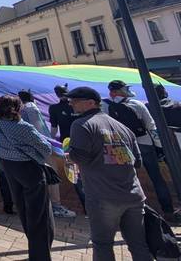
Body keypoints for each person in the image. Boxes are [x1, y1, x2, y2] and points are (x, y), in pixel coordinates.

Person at [67, 86, 152, 261]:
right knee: (138, 244)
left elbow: (80, 157)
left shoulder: (81, 124)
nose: (71, 104)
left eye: (75, 101)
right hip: (133, 195)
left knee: (103, 244)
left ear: (91, 103)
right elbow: (137, 162)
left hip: (102, 196)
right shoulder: (122, 127)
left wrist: (69, 150)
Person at [103, 79, 179, 222]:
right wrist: (159, 148)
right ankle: (168, 210)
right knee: (156, 178)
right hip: (144, 143)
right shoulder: (137, 104)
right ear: (121, 90)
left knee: (128, 180)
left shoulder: (104, 106)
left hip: (120, 146)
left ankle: (136, 213)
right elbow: (151, 127)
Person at [0, 95, 54, 261]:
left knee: (23, 208)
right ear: (17, 108)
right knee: (39, 213)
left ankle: (35, 248)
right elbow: (46, 149)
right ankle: (40, 255)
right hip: (28, 168)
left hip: (8, 165)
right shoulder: (23, 127)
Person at [18, 90, 76, 219]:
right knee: (52, 175)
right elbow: (39, 129)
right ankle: (56, 206)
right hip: (42, 147)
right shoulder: (31, 108)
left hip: (34, 148)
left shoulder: (23, 109)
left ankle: (47, 204)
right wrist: (49, 146)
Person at [49, 84, 87, 213]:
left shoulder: (54, 108)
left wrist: (51, 142)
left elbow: (54, 129)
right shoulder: (79, 106)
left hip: (67, 144)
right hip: (84, 141)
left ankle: (87, 206)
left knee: (76, 175)